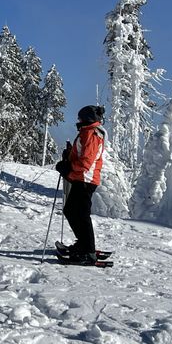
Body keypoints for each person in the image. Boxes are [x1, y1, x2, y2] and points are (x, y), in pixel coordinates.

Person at [55, 105, 107, 263]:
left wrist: (68, 168)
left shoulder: (91, 134)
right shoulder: (88, 132)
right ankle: (84, 245)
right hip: (82, 179)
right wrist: (70, 154)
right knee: (72, 211)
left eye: (80, 118)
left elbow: (86, 162)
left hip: (85, 180)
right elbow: (82, 154)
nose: (78, 120)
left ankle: (87, 250)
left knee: (79, 214)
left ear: (86, 119)